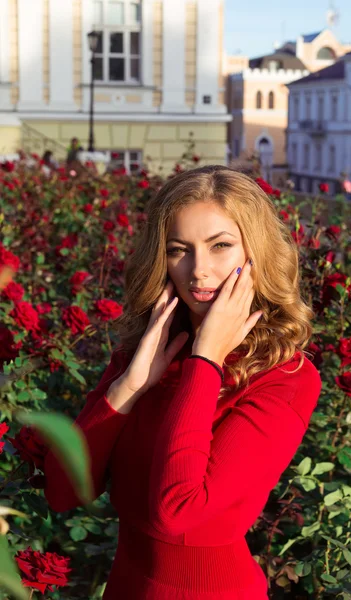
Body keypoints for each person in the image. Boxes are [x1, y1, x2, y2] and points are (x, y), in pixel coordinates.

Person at [42, 165, 322, 599]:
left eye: (221, 246)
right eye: (179, 250)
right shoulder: (146, 353)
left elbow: (178, 511)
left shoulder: (284, 378)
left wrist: (205, 360)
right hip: (126, 585)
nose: (199, 270)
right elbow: (61, 491)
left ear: (256, 253)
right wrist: (128, 387)